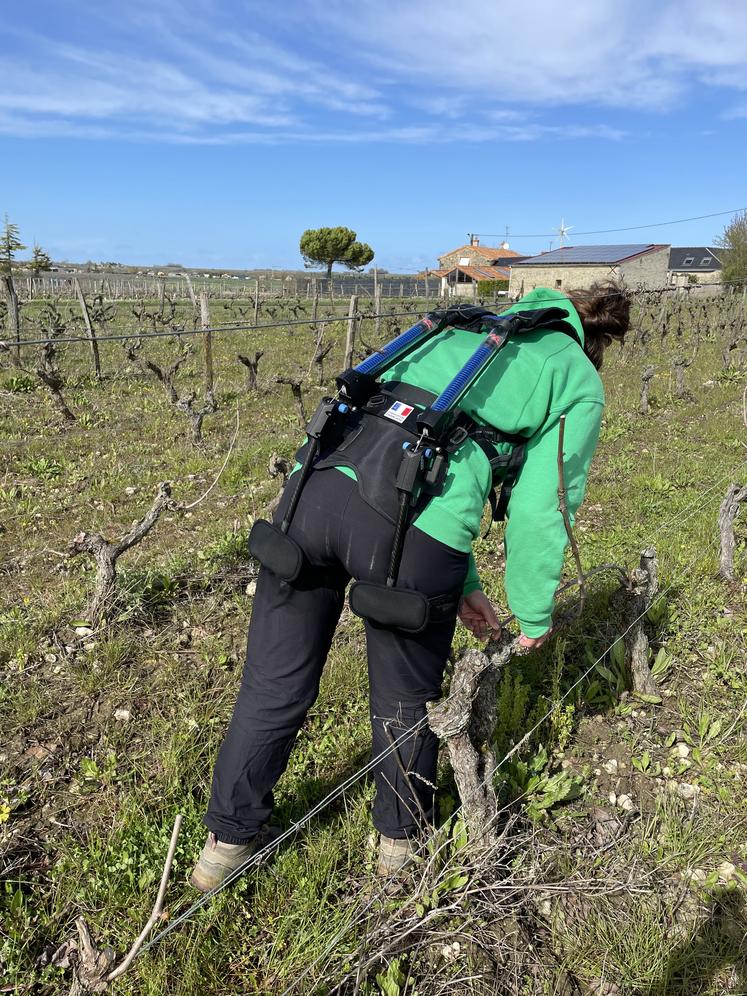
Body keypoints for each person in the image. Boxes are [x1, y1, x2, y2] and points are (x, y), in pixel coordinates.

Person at [190, 280, 630, 891]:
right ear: (597, 338)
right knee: (403, 702)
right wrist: (532, 611)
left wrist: (465, 582)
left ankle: (224, 846)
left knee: (272, 683)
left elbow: (420, 435)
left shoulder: (459, 328)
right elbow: (541, 505)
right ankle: (400, 852)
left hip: (309, 495)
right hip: (407, 536)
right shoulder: (575, 374)